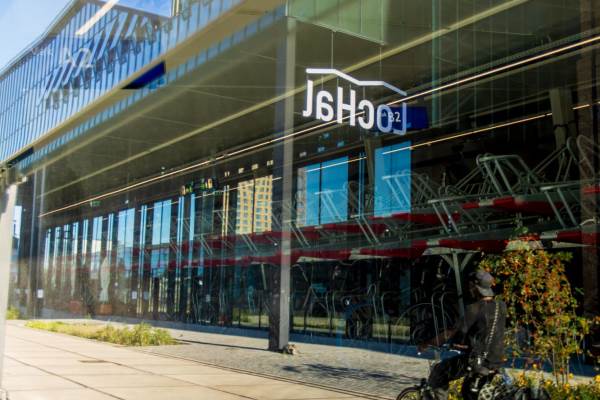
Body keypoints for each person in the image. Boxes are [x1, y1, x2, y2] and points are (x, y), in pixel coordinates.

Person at [418, 270, 507, 400]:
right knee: (467, 392)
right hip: (495, 361)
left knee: (439, 371)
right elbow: (485, 331)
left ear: (475, 287)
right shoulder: (502, 306)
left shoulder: (474, 308)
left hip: (477, 361)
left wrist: (428, 343)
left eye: (470, 286)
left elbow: (451, 332)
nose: (469, 289)